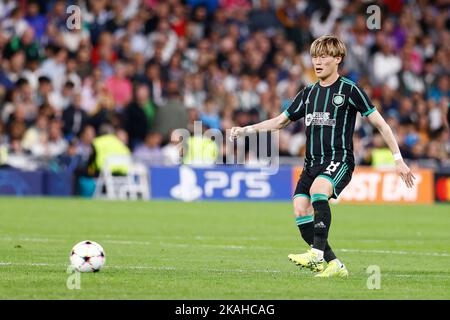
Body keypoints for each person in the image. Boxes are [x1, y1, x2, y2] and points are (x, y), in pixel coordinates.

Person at [230, 35, 416, 278]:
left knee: (319, 191)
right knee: (299, 208)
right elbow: (279, 122)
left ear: (337, 59)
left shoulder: (350, 89)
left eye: (324, 56)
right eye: (314, 57)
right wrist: (246, 129)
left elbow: (381, 124)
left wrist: (398, 159)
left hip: (339, 160)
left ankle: (316, 255)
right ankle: (335, 265)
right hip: (311, 163)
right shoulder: (308, 93)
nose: (317, 62)